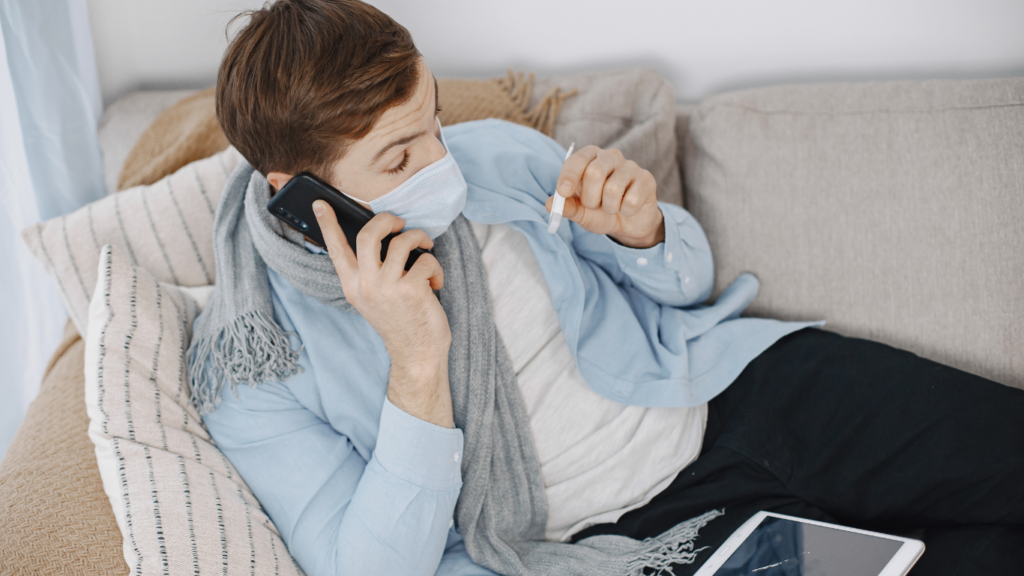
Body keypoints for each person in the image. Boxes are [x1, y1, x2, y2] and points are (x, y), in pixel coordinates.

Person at [186, 1, 1024, 575]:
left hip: (725, 395)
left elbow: (689, 287)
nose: (445, 167)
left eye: (433, 124)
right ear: (296, 188)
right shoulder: (252, 366)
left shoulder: (499, 158)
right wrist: (416, 365)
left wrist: (644, 232)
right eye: (401, 158)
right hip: (629, 544)